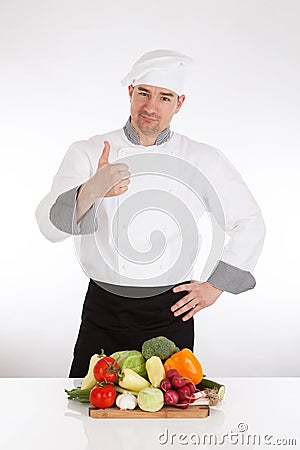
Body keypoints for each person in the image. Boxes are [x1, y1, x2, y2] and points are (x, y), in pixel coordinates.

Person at [36, 49, 266, 377]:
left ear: (179, 103)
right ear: (130, 93)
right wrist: (91, 189)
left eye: (164, 97)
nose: (151, 107)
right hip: (106, 307)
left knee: (169, 409)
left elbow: (250, 221)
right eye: (143, 93)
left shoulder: (203, 158)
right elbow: (49, 226)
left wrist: (215, 286)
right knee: (89, 407)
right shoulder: (88, 151)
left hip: (170, 310)